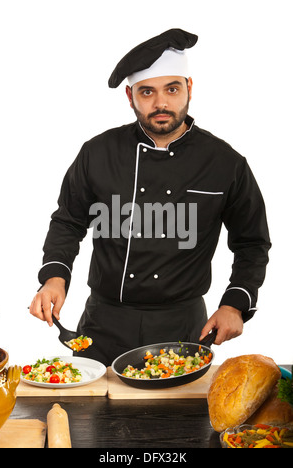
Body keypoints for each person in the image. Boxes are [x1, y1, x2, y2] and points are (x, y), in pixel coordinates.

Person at [29, 29, 271, 366]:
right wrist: (54, 278)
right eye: (147, 92)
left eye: (172, 89)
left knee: (180, 420)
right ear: (130, 96)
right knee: (91, 416)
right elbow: (68, 221)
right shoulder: (97, 153)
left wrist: (235, 304)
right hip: (102, 323)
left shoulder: (225, 163)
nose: (161, 103)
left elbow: (252, 243)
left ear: (189, 87)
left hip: (184, 327)